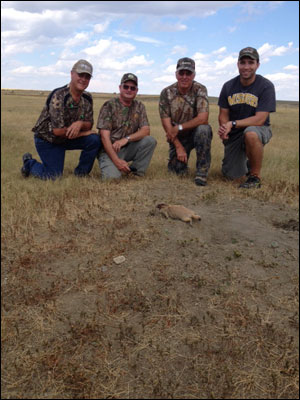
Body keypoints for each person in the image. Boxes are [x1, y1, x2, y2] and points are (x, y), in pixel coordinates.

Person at [21, 59, 101, 180]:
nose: (83, 79)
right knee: (53, 176)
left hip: (68, 138)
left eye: (87, 77)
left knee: (94, 140)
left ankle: (81, 174)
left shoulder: (87, 97)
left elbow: (89, 124)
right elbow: (57, 132)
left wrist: (80, 123)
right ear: (72, 74)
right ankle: (29, 164)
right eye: (80, 75)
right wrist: (84, 132)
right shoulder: (59, 96)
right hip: (48, 139)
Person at [218, 47, 276, 188]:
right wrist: (224, 128)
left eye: (251, 62)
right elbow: (223, 114)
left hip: (258, 129)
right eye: (243, 62)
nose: (246, 67)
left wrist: (232, 123)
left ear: (257, 65)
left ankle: (254, 177)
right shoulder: (228, 86)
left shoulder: (266, 86)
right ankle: (243, 163)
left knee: (250, 133)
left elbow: (260, 119)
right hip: (235, 133)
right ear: (238, 64)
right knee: (231, 175)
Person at [159, 57, 213, 186]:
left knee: (203, 129)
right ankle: (182, 163)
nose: (184, 77)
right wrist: (178, 146)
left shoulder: (200, 89)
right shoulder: (166, 93)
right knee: (176, 171)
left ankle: (201, 172)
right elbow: (167, 126)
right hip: (177, 137)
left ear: (193, 75)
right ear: (176, 74)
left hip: (195, 133)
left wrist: (179, 127)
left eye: (188, 73)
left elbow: (203, 118)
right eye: (181, 73)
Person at [96, 73, 157, 179]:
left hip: (128, 147)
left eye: (133, 88)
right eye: (126, 87)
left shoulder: (139, 106)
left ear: (136, 91)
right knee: (113, 178)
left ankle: (136, 172)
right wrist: (117, 161)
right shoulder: (109, 106)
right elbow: (104, 137)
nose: (129, 90)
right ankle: (116, 165)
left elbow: (146, 130)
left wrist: (126, 139)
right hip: (109, 150)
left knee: (150, 141)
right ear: (120, 88)